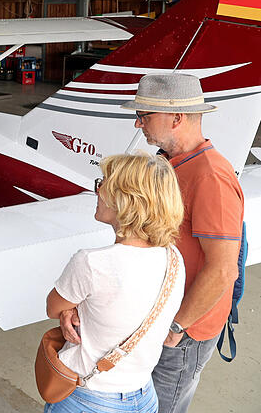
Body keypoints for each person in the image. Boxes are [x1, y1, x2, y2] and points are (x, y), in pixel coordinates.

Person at [113, 73, 240, 413]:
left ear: (177, 117)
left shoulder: (211, 176)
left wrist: (177, 325)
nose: (138, 123)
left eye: (145, 115)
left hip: (185, 331)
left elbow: (223, 269)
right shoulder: (171, 164)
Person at [46, 153, 187, 413]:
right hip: (143, 396)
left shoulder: (91, 263)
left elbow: (53, 307)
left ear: (126, 199)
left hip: (89, 399)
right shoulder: (173, 257)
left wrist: (70, 309)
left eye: (104, 183)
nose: (97, 191)